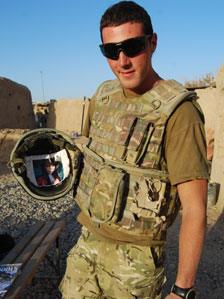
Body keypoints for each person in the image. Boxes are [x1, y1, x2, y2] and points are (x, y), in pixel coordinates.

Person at [59, 1, 209, 298]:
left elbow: (195, 208)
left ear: (152, 42)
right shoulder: (102, 97)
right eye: (111, 51)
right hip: (86, 245)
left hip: (135, 264)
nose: (122, 60)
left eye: (133, 46)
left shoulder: (179, 112)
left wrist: (182, 290)